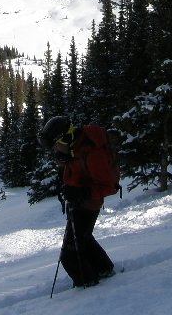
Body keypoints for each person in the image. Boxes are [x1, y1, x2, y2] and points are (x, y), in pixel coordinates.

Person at [38, 115, 117, 288]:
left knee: (69, 254)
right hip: (79, 202)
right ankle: (104, 269)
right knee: (84, 239)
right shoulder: (74, 147)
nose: (55, 151)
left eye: (56, 145)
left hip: (88, 204)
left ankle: (87, 284)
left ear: (64, 138)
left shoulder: (92, 153)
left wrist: (81, 192)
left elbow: (108, 186)